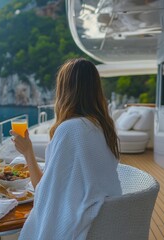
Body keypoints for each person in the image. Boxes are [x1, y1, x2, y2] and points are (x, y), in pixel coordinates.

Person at [10, 58, 122, 239]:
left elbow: (46, 194)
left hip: (86, 228)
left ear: (65, 91)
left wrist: (28, 152)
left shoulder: (70, 130)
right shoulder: (104, 127)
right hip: (108, 223)